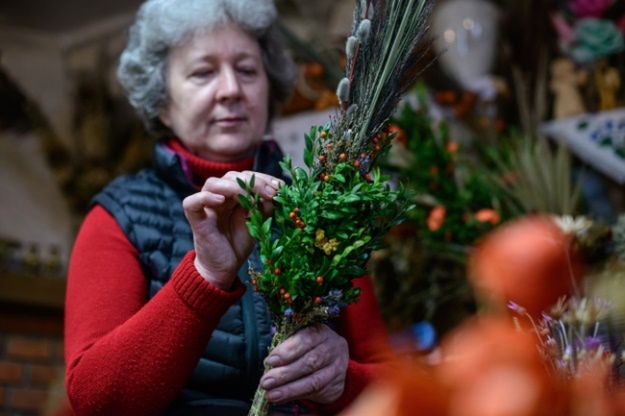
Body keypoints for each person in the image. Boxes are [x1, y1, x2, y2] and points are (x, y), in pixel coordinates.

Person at [64, 0, 392, 415]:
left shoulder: (322, 210)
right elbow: (96, 401)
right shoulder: (119, 216)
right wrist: (205, 277)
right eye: (203, 72)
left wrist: (345, 379)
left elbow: (393, 385)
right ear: (161, 102)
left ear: (269, 88)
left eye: (247, 70)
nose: (231, 89)